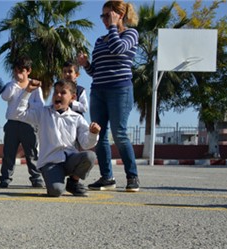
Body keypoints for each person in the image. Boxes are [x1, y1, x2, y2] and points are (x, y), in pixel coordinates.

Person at [78, 0, 140, 192]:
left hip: (120, 90)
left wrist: (113, 27)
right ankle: (107, 177)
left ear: (119, 15)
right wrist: (86, 64)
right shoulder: (99, 40)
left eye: (107, 15)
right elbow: (97, 71)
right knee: (100, 135)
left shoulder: (131, 34)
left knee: (119, 133)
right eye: (102, 16)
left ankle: (132, 176)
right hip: (99, 90)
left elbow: (118, 49)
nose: (104, 20)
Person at [15, 80, 101, 197]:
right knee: (56, 191)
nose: (58, 95)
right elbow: (19, 113)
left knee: (90, 156)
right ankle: (54, 179)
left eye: (63, 93)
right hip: (50, 162)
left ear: (73, 97)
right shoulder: (43, 113)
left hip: (70, 160)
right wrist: (27, 91)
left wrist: (93, 133)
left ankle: (73, 182)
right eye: (55, 92)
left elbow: (86, 144)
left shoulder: (77, 118)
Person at [0, 56, 44, 189]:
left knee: (31, 153)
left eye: (21, 70)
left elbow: (39, 105)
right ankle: (5, 178)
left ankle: (36, 178)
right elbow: (5, 97)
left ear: (28, 71)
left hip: (28, 124)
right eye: (16, 70)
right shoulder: (11, 85)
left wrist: (28, 105)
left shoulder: (35, 87)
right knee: (9, 153)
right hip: (12, 123)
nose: (18, 73)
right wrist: (15, 84)